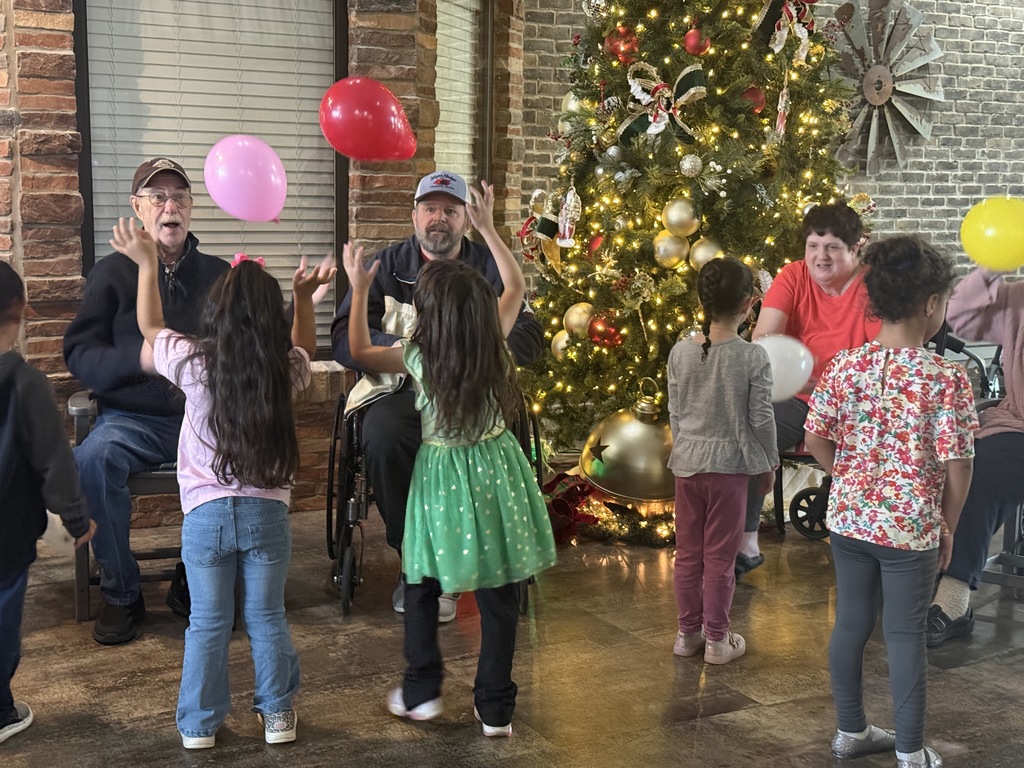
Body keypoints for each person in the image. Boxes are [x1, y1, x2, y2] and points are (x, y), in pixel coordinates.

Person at [110, 218, 334, 748]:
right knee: (266, 616)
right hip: (267, 518)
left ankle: (198, 727)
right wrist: (304, 299)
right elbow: (306, 348)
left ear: (217, 313)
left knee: (208, 623)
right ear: (269, 319)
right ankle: (277, 717)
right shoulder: (283, 370)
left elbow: (150, 326)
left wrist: (146, 265)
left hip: (205, 516)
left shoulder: (192, 361)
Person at [341, 222, 557, 737]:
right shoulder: (495, 345)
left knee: (422, 581)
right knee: (499, 591)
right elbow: (517, 286)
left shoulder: (418, 356)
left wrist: (360, 290)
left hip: (441, 480)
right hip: (496, 470)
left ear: (428, 317)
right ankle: (496, 708)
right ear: (482, 311)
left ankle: (421, 693)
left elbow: (360, 351)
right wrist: (485, 226)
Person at [331, 170, 544, 621]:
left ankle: (475, 554)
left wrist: (477, 353)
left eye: (450, 209)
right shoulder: (386, 267)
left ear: (466, 218)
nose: (439, 218)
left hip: (473, 393)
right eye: (430, 208)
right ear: (415, 214)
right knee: (383, 434)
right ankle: (415, 559)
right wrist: (419, 352)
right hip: (402, 389)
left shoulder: (487, 264)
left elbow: (527, 327)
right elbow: (351, 345)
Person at [803, 236, 976, 768]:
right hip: (910, 531)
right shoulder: (946, 377)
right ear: (930, 305)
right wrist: (947, 525)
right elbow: (959, 465)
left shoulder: (845, 365)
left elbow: (814, 439)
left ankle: (851, 732)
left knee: (851, 624)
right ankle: (909, 750)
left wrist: (851, 479)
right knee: (904, 635)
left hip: (849, 521)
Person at [63, 158, 230, 645]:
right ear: (138, 209)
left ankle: (193, 577)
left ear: (192, 209)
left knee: (245, 457)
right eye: (157, 197)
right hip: (131, 419)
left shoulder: (219, 275)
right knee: (91, 459)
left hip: (203, 419)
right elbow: (80, 352)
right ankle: (121, 591)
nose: (169, 206)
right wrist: (136, 357)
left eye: (179, 197)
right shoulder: (110, 273)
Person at [746, 202, 882, 576]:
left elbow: (879, 359)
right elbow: (764, 338)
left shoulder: (873, 286)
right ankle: (744, 541)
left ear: (855, 248)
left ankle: (869, 539)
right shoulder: (793, 276)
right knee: (748, 433)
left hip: (855, 404)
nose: (820, 257)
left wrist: (830, 386)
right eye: (813, 246)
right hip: (799, 395)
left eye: (833, 247)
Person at [0, 262, 97, 746]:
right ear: (19, 313)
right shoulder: (26, 385)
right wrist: (77, 520)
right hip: (8, 538)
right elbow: (56, 466)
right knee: (1, 623)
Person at [667, 257, 778, 665]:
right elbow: (761, 419)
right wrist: (769, 464)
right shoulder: (753, 358)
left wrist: (687, 450)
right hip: (730, 471)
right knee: (719, 558)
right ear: (750, 304)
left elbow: (676, 414)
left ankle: (686, 634)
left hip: (687, 468)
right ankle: (717, 639)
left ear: (702, 299)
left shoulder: (680, 352)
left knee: (688, 554)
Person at [927, 265, 1024, 647]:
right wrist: (992, 266)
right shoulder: (1018, 299)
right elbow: (959, 316)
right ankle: (952, 595)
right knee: (974, 463)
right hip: (1019, 427)